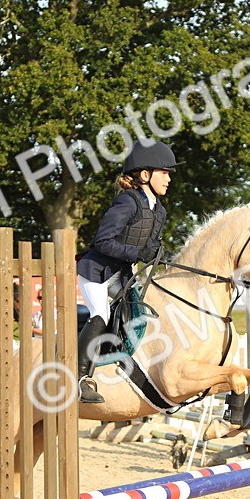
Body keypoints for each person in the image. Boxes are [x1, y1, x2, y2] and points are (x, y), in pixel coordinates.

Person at [74, 140, 177, 404]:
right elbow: (103, 242)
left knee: (139, 311)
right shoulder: (127, 202)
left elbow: (149, 245)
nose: (168, 178)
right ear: (145, 175)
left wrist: (159, 254)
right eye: (164, 172)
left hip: (121, 274)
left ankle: (117, 362)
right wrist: (137, 254)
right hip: (96, 271)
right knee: (101, 314)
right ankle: (81, 379)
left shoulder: (159, 211)